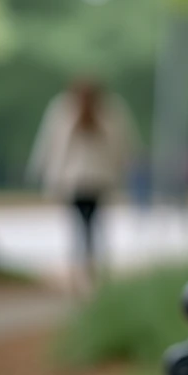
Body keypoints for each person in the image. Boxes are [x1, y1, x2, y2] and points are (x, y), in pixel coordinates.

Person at [27, 78, 138, 288]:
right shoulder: (67, 110)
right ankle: (88, 268)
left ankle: (84, 269)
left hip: (88, 180)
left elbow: (122, 144)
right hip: (84, 180)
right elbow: (52, 143)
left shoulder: (106, 111)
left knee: (83, 225)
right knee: (88, 225)